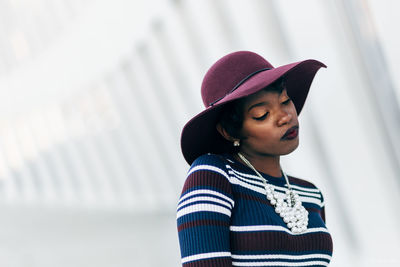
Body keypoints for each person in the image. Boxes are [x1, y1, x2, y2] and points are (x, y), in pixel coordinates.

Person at [177, 51, 333, 266]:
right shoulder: (214, 176)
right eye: (262, 115)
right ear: (229, 132)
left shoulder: (311, 194)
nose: (285, 117)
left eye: (285, 101)